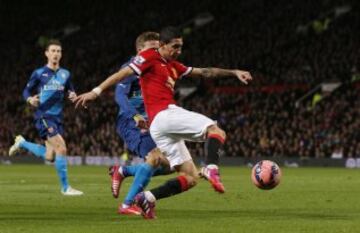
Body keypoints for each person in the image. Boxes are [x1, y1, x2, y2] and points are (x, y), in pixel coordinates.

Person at [74, 26, 252, 218]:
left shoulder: (173, 66)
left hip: (157, 124)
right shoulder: (149, 57)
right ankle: (211, 167)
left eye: (181, 47)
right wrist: (95, 92)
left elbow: (205, 72)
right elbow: (121, 76)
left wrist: (234, 72)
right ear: (162, 45)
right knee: (215, 130)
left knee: (190, 177)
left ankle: (146, 198)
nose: (179, 51)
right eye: (175, 46)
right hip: (163, 114)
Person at [9, 39, 83, 196]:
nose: (56, 54)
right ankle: (65, 188)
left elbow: (71, 90)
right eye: (53, 51)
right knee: (62, 148)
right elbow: (26, 92)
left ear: (61, 54)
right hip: (44, 115)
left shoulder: (65, 74)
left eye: (59, 51)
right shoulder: (39, 73)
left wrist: (72, 95)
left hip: (58, 117)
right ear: (47, 53)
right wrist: (30, 100)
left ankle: (22, 142)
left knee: (50, 156)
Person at [109, 31, 171, 215]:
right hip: (132, 121)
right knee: (154, 157)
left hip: (153, 122)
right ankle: (128, 204)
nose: (155, 51)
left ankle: (124, 171)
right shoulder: (130, 68)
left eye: (157, 48)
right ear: (139, 50)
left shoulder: (158, 67)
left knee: (171, 166)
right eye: (151, 48)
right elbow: (119, 95)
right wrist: (135, 115)